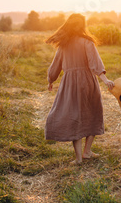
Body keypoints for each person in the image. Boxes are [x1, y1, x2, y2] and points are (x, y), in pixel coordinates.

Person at [45, 13, 114, 164]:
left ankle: (79, 158)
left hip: (69, 84)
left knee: (73, 117)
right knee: (93, 113)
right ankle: (87, 151)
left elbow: (55, 66)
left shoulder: (63, 44)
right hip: (88, 82)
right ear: (82, 26)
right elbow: (95, 64)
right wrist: (105, 79)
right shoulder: (87, 42)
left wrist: (50, 80)